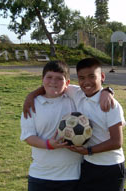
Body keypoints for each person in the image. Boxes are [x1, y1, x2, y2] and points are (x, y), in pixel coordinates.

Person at [20, 61, 81, 191]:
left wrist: (108, 92)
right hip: (40, 175)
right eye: (49, 77)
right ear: (42, 79)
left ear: (67, 83)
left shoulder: (75, 98)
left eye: (59, 78)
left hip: (72, 175)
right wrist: (48, 144)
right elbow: (28, 136)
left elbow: (95, 91)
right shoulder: (32, 104)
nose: (53, 82)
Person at [68, 58, 126, 191]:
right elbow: (55, 85)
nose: (86, 82)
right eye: (81, 78)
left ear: (102, 77)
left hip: (111, 167)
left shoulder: (110, 105)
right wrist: (32, 96)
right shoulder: (77, 94)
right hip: (89, 164)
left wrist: (88, 151)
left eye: (92, 76)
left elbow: (117, 142)